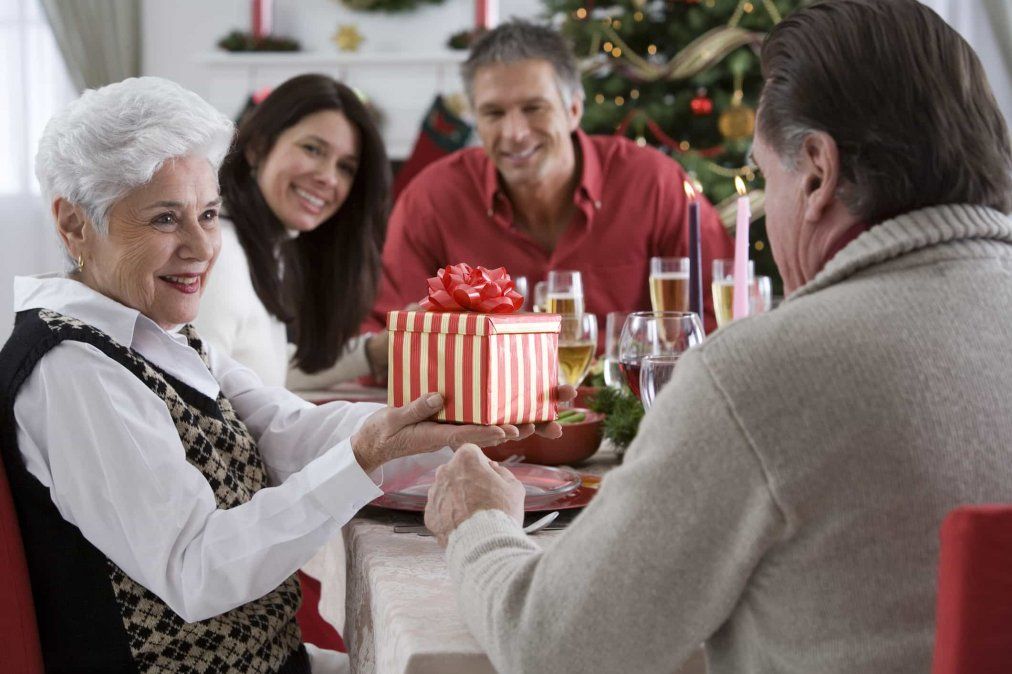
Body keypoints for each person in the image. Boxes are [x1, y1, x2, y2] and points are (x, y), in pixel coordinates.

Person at [421, 1, 1012, 672]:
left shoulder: (762, 376)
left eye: (764, 176)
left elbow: (552, 648)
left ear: (816, 170)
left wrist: (480, 521)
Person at [0, 76, 568, 673]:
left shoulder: (155, 334)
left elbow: (291, 431)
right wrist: (366, 457)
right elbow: (196, 570)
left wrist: (466, 409)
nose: (202, 248)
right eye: (166, 219)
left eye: (209, 214)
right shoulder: (74, 369)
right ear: (73, 225)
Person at [366, 20, 733, 342]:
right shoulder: (431, 199)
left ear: (573, 110)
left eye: (533, 108)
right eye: (494, 113)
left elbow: (720, 318)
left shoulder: (655, 183)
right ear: (477, 121)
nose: (515, 133)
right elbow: (389, 334)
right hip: (484, 415)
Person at [196, 74, 389, 390]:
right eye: (313, 149)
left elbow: (258, 368)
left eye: (345, 167)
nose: (328, 177)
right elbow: (196, 406)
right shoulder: (220, 256)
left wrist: (372, 352)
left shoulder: (266, 247)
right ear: (258, 148)